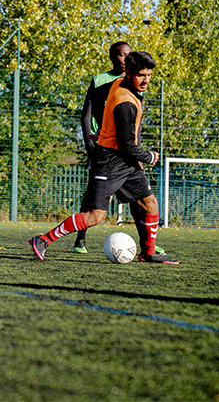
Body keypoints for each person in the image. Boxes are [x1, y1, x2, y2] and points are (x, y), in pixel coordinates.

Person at [29, 51, 179, 264]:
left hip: (125, 162)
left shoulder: (119, 82)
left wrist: (104, 127)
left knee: (150, 203)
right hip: (109, 161)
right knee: (95, 216)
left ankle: (148, 252)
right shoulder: (125, 103)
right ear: (128, 74)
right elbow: (127, 146)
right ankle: (43, 240)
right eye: (140, 75)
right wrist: (149, 156)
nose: (146, 80)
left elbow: (96, 96)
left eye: (149, 75)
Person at [73, 42, 165, 255]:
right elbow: (87, 112)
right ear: (113, 57)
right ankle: (80, 239)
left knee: (140, 198)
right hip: (105, 147)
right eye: (121, 55)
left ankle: (147, 245)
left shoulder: (134, 80)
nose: (125, 58)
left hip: (126, 149)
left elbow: (131, 123)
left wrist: (137, 150)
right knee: (94, 201)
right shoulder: (103, 81)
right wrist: (90, 142)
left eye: (128, 54)